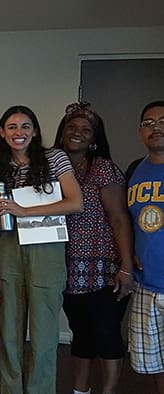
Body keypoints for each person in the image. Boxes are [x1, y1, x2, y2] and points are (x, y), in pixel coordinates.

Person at [0, 105, 83, 394]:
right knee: (9, 334)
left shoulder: (54, 158)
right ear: (2, 133)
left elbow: (75, 202)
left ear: (35, 131)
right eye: (12, 127)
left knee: (44, 336)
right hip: (8, 250)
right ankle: (11, 389)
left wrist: (24, 210)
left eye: (25, 126)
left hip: (46, 250)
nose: (19, 133)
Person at [51, 102, 135, 394]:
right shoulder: (48, 168)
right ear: (62, 133)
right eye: (72, 127)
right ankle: (80, 390)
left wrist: (126, 267)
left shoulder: (103, 168)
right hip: (65, 268)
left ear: (95, 138)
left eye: (86, 130)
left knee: (106, 333)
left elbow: (119, 217)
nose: (78, 133)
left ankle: (108, 391)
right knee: (81, 334)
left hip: (104, 268)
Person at [126, 100, 164, 393]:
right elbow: (128, 222)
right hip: (146, 285)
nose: (156, 128)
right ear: (140, 132)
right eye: (148, 123)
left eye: (162, 121)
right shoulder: (134, 170)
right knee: (156, 363)